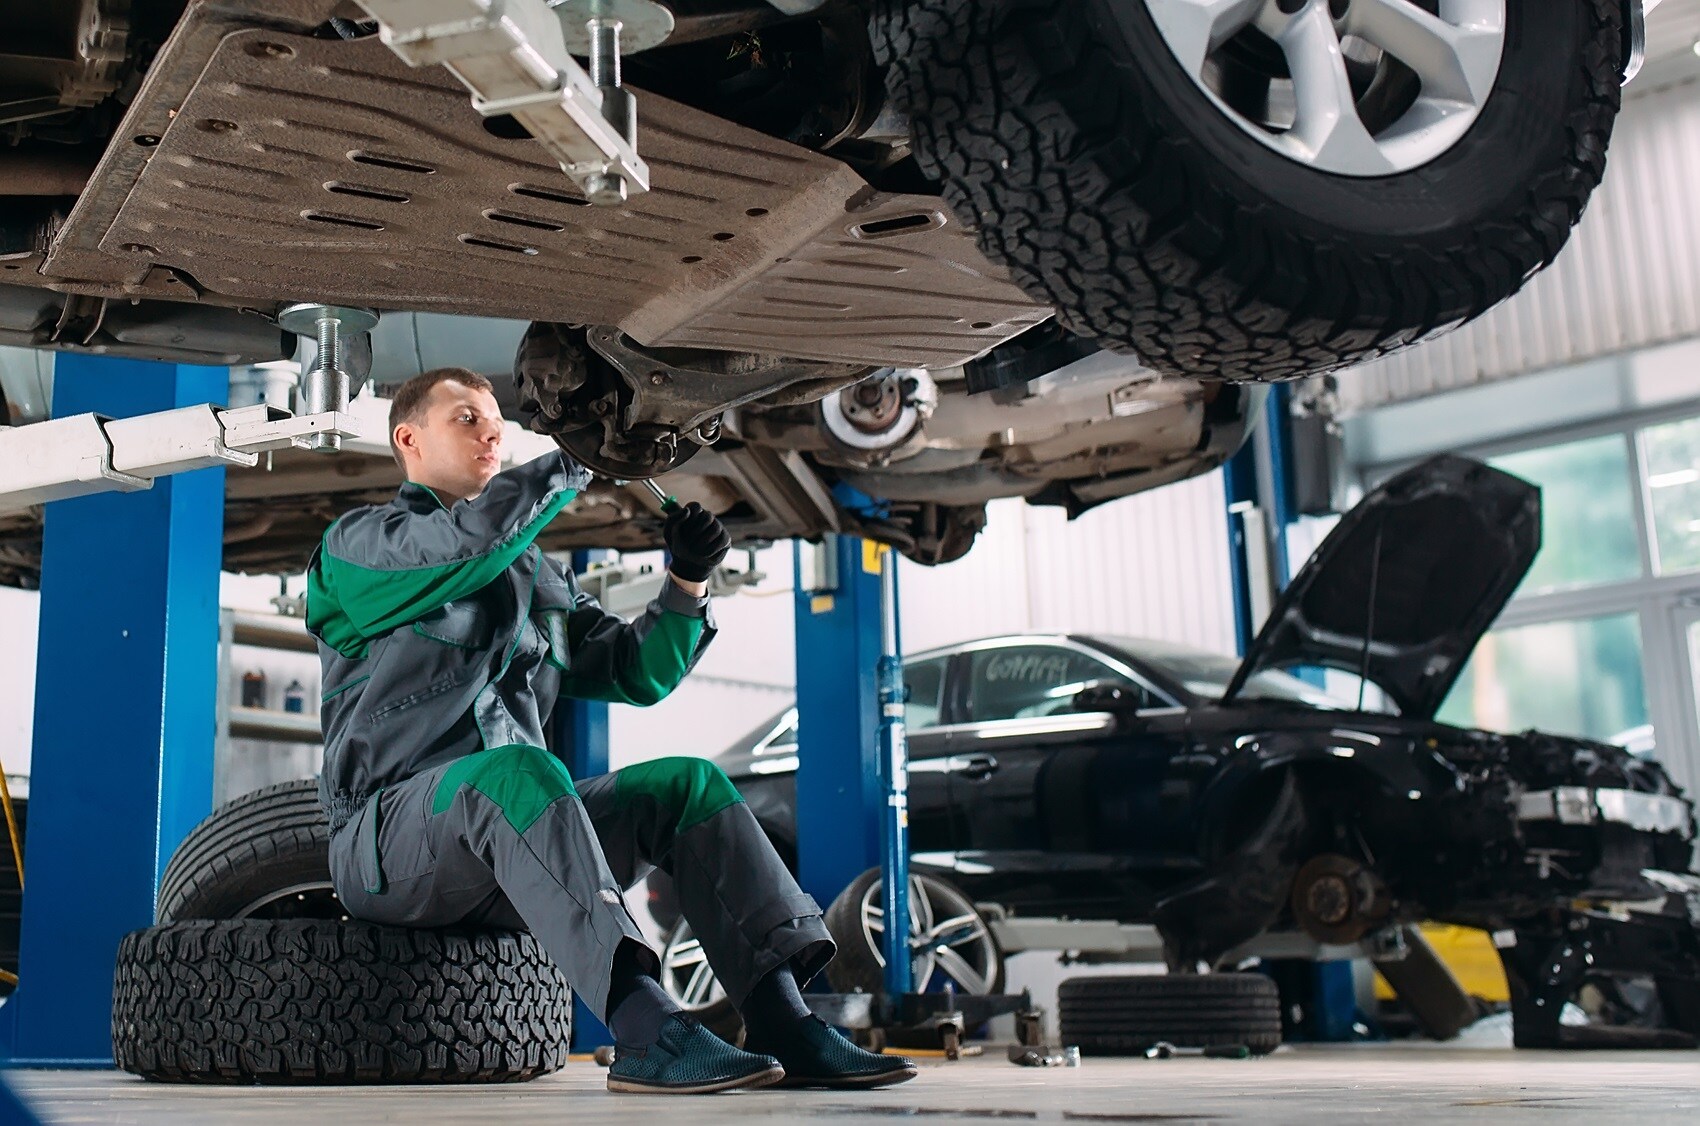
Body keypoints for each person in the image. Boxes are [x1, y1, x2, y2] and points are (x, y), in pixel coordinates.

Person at [305, 367, 916, 1094]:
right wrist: (577, 458)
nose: (492, 431)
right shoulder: (360, 549)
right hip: (389, 844)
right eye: (467, 418)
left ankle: (785, 1020)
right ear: (408, 439)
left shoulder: (535, 575)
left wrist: (686, 581)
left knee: (688, 786)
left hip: (514, 847)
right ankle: (645, 1029)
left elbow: (637, 672)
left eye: (496, 420)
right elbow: (463, 547)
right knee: (521, 771)